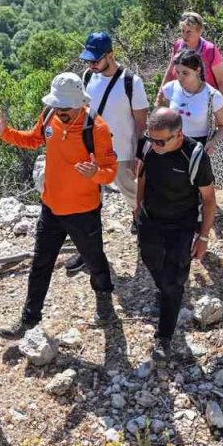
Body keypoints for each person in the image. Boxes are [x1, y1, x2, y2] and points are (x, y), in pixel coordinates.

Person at [0, 73, 120, 338]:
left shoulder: (96, 128)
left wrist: (95, 175)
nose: (60, 112)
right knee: (40, 264)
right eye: (57, 106)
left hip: (83, 210)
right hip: (51, 207)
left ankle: (105, 304)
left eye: (65, 108)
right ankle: (29, 319)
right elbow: (33, 139)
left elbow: (110, 171)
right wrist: (4, 132)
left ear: (80, 102)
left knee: (94, 258)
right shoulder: (49, 116)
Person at [133, 108, 216, 361]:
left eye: (160, 141)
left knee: (173, 282)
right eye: (151, 138)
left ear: (178, 134)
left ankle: (164, 337)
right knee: (150, 260)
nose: (155, 145)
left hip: (181, 226)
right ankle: (165, 290)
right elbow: (142, 176)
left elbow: (209, 199)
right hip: (150, 219)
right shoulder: (148, 146)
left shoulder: (194, 156)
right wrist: (138, 206)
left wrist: (202, 237)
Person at [74, 31, 148, 274]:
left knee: (134, 195)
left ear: (110, 55)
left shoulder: (131, 82)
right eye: (89, 60)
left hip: (122, 152)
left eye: (95, 60)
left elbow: (140, 121)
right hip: (92, 153)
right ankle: (87, 251)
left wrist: (139, 153)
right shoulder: (87, 77)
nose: (91, 65)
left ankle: (144, 230)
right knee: (87, 203)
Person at [156, 49, 223, 148]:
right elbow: (161, 117)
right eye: (178, 72)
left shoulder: (213, 96)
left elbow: (222, 126)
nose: (180, 77)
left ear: (197, 70)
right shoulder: (170, 88)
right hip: (172, 145)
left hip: (199, 147)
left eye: (185, 73)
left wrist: (212, 143)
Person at [165, 12, 223, 100]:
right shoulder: (178, 46)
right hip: (180, 99)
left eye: (189, 32)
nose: (185, 35)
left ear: (199, 31)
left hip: (205, 101)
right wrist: (160, 97)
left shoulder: (210, 50)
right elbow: (169, 73)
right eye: (183, 31)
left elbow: (221, 81)